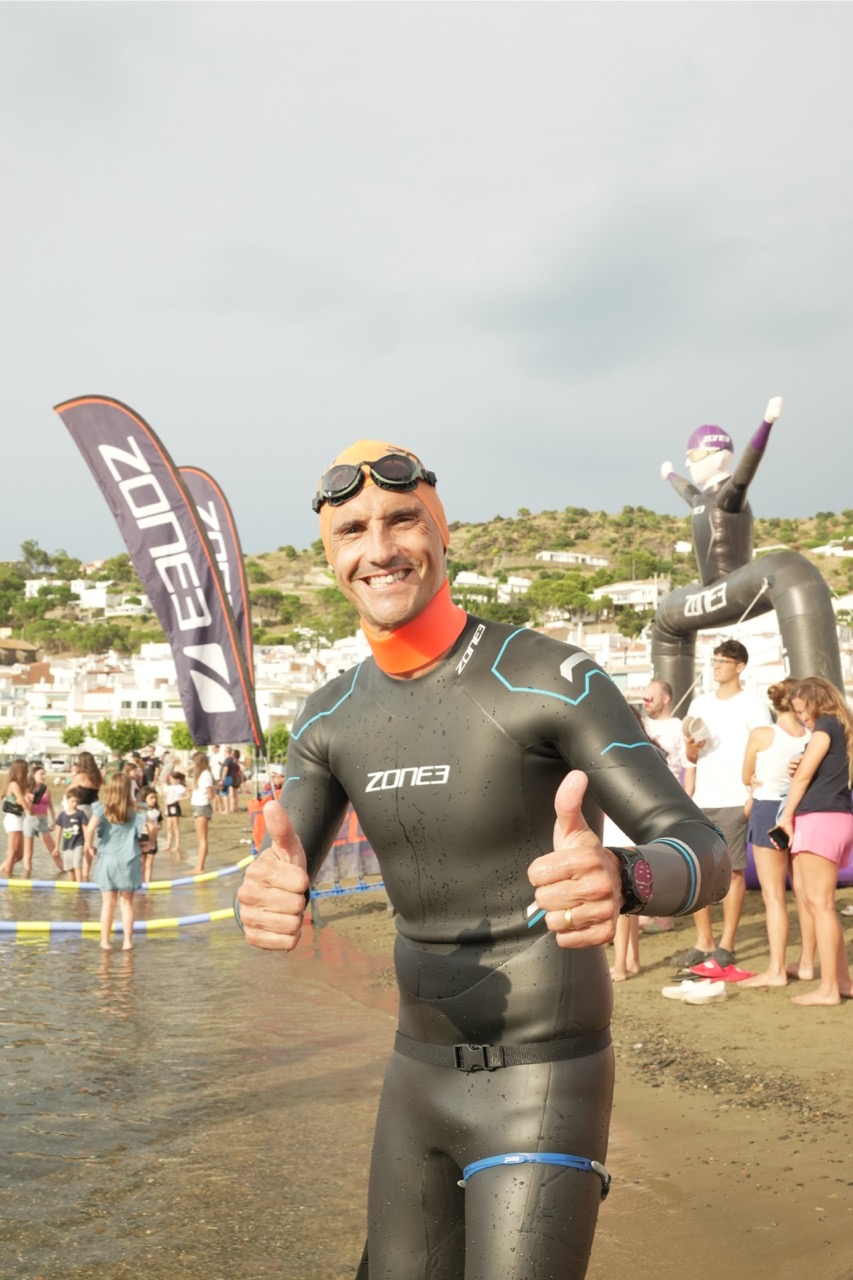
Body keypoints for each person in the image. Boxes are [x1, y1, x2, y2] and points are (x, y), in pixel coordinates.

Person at [237, 439, 731, 1280]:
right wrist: (264, 895)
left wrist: (624, 878)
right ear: (330, 557)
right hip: (414, 1074)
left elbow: (703, 848)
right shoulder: (327, 718)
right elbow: (280, 869)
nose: (379, 548)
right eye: (352, 530)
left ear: (443, 533)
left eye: (402, 520)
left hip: (544, 1077)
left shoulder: (550, 678)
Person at [679, 639, 771, 970]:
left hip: (735, 797)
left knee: (732, 872)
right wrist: (691, 752)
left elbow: (765, 751)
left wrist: (751, 797)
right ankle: (703, 941)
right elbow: (689, 757)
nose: (716, 665)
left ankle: (726, 944)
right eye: (714, 660)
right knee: (699, 872)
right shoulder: (700, 703)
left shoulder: (754, 705)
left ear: (740, 666)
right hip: (702, 798)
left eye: (722, 661)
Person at [775, 676, 853, 1007]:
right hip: (836, 817)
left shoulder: (825, 726)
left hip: (819, 818)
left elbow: (804, 777)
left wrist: (785, 816)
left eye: (803, 709)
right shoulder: (839, 728)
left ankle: (829, 989)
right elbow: (810, 771)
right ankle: (842, 981)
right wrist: (801, 764)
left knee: (820, 905)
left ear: (817, 702)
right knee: (819, 904)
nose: (802, 717)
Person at [740, 679, 810, 988]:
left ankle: (777, 969)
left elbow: (746, 776)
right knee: (805, 895)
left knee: (774, 896)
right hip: (803, 809)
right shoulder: (811, 736)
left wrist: (754, 781)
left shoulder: (762, 734)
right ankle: (805, 963)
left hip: (769, 809)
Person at [87, 772, 149, 951]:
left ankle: (105, 941)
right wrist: (150, 843)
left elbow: (90, 829)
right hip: (129, 859)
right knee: (127, 904)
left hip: (108, 858)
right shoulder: (137, 809)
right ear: (129, 788)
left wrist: (89, 846)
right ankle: (127, 942)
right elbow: (151, 826)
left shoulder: (103, 808)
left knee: (108, 903)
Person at [70, 751, 103, 879]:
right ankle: (86, 874)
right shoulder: (97, 777)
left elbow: (69, 791)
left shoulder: (80, 776)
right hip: (93, 810)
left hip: (80, 809)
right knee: (88, 842)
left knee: (77, 842)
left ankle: (76, 872)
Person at [23, 762, 60, 877]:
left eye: (44, 774)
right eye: (41, 774)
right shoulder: (27, 789)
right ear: (33, 775)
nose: (44, 776)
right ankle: (26, 877)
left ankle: (65, 872)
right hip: (30, 821)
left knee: (54, 851)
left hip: (43, 821)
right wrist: (31, 799)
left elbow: (51, 807)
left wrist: (54, 821)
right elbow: (28, 811)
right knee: (28, 853)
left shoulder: (46, 789)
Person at [1, 759, 32, 878]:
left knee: (19, 855)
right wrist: (26, 806)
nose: (28, 771)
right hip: (13, 819)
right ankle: (7, 878)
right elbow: (24, 803)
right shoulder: (13, 784)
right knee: (12, 852)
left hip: (20, 819)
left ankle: (3, 871)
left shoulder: (21, 785)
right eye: (26, 769)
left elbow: (25, 800)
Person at [53, 786, 88, 883]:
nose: (75, 804)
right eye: (73, 801)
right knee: (69, 868)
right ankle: (71, 887)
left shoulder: (80, 814)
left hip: (78, 844)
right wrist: (56, 847)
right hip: (67, 846)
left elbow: (85, 829)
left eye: (77, 802)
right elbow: (58, 831)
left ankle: (80, 885)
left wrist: (86, 843)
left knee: (77, 865)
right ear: (67, 800)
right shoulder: (62, 815)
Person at [190, 751, 215, 873]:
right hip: (198, 806)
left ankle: (200, 867)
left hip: (202, 806)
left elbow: (210, 794)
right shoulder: (202, 774)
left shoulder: (205, 775)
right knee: (200, 838)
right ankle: (199, 866)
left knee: (202, 839)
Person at [139, 785, 162, 884]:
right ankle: (141, 882)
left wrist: (156, 826)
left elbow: (160, 825)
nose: (154, 800)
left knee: (150, 861)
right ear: (144, 798)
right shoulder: (140, 811)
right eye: (151, 798)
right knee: (142, 861)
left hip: (152, 838)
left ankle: (148, 882)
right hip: (142, 838)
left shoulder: (157, 812)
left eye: (155, 798)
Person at [163, 769, 187, 859]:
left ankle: (177, 845)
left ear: (177, 779)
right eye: (170, 779)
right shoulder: (169, 787)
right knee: (169, 827)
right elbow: (165, 797)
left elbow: (188, 794)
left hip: (175, 805)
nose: (171, 780)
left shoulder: (180, 787)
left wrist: (178, 799)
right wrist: (165, 807)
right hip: (169, 806)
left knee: (176, 826)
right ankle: (168, 844)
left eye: (172, 779)